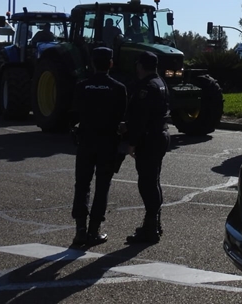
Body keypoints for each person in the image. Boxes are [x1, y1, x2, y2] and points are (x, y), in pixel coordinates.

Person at [70, 47, 128, 247]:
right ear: (110, 63)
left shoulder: (82, 86)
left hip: (86, 141)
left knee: (82, 185)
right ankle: (94, 230)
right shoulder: (118, 88)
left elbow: (74, 113)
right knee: (102, 186)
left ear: (92, 63)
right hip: (108, 142)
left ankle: (79, 230)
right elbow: (123, 118)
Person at [125, 51, 170, 243]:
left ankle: (150, 228)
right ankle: (154, 224)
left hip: (149, 138)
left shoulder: (147, 87)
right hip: (159, 135)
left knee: (147, 184)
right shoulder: (161, 83)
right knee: (154, 181)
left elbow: (141, 118)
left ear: (141, 66)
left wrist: (131, 142)